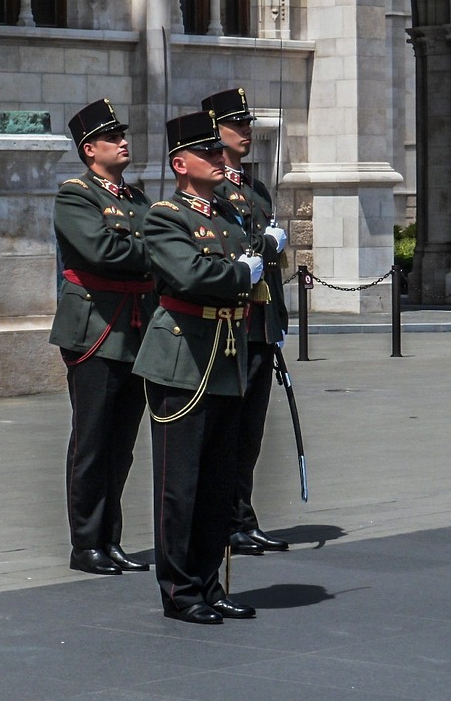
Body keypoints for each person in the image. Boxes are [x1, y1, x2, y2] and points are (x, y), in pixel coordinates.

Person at [132, 110, 261, 625]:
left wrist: (243, 268)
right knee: (180, 484)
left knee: (217, 484)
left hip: (228, 354)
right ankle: (180, 591)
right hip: (183, 357)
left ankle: (210, 583)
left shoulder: (229, 217)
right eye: (207, 153)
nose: (217, 158)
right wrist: (238, 273)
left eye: (217, 151)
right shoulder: (166, 216)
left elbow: (236, 272)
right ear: (181, 163)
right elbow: (187, 275)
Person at [50, 99, 155, 576]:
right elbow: (101, 250)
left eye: (123, 135)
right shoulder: (76, 196)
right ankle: (85, 543)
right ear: (90, 149)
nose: (123, 142)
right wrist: (153, 251)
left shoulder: (137, 199)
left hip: (134, 330)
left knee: (122, 443)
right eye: (113, 138)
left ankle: (111, 538)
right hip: (96, 329)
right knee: (92, 441)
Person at [202, 88, 291, 556]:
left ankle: (243, 514)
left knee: (252, 428)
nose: (246, 132)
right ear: (215, 131)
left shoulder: (256, 189)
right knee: (231, 427)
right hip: (230, 325)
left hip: (259, 323)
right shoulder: (212, 192)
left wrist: (277, 319)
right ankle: (227, 519)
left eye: (248, 124)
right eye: (237, 125)